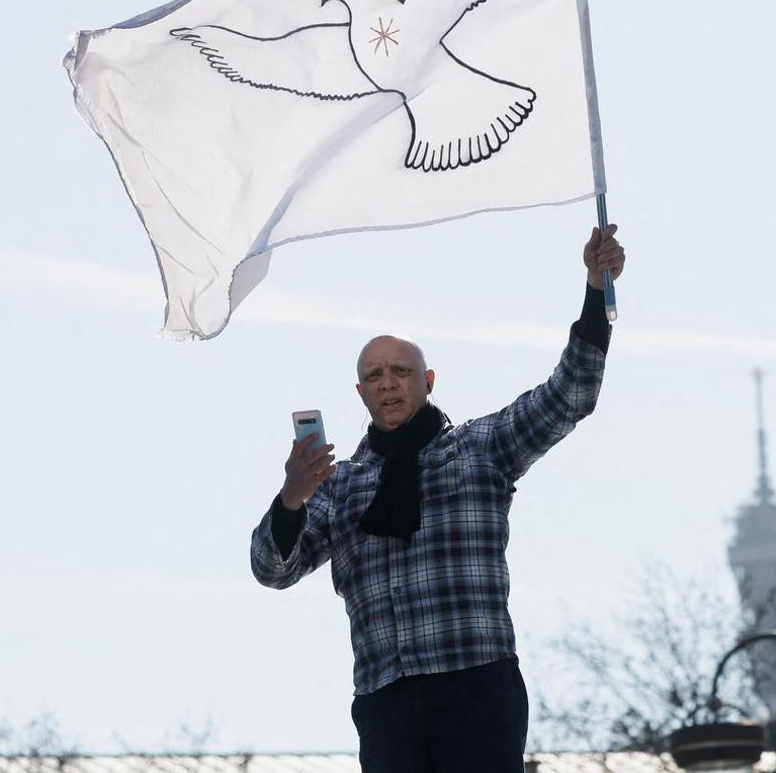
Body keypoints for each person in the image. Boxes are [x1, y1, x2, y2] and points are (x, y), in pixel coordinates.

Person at [250, 225, 626, 773]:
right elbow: (272, 570)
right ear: (361, 393)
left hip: (475, 681)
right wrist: (291, 499)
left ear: (427, 380)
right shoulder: (340, 485)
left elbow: (571, 393)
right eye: (374, 376)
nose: (388, 384)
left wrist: (597, 288)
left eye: (401, 371)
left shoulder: (478, 448)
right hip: (386, 697)